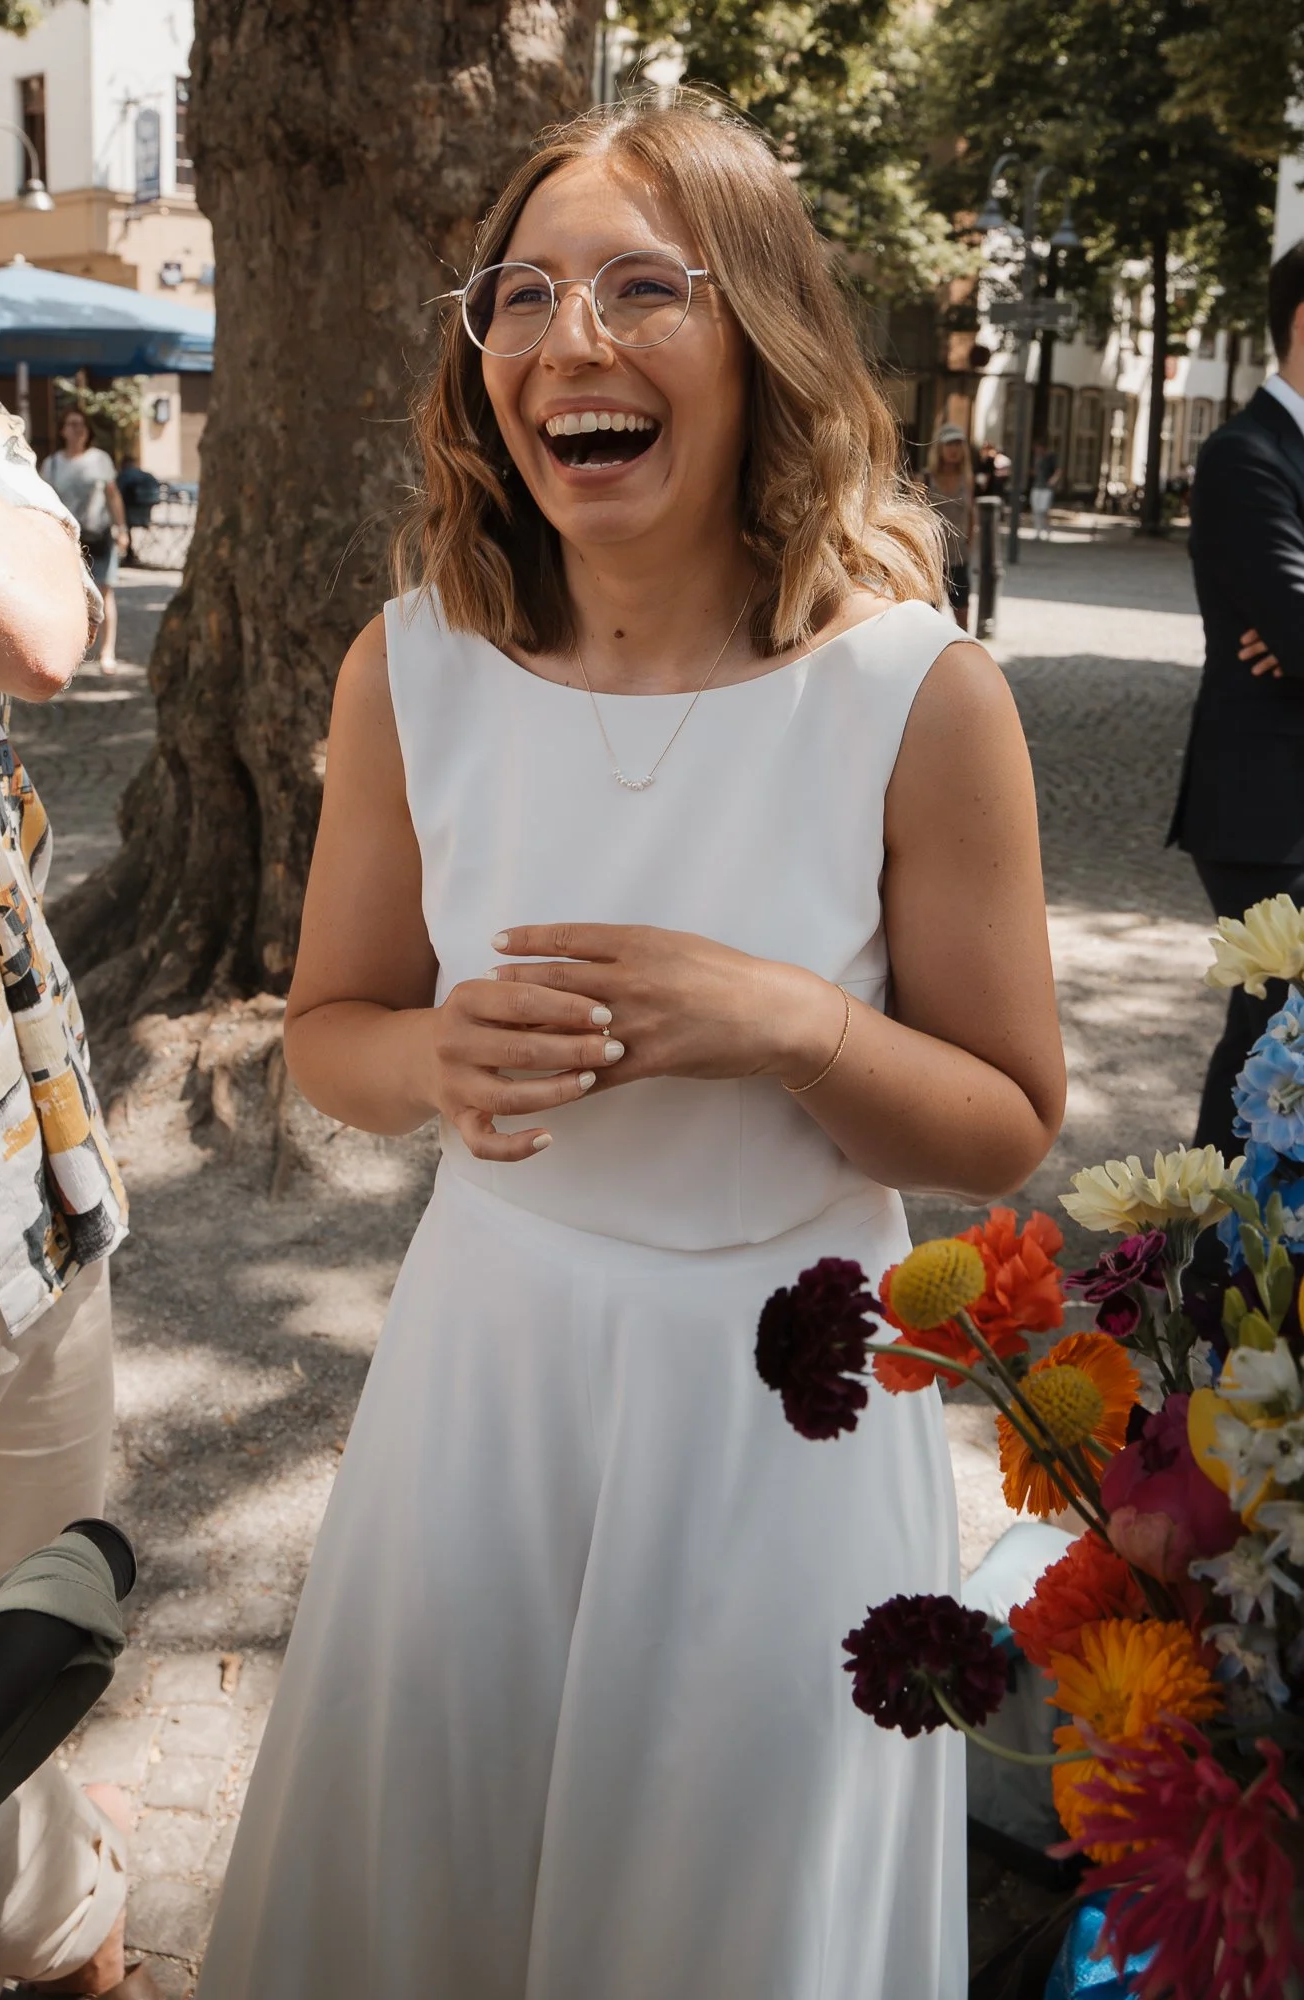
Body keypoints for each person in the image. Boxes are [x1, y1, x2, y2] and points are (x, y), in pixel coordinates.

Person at [198, 95, 1064, 1999]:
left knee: (721, 1911)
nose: (565, 340)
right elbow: (329, 1032)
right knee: (435, 1867)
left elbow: (1006, 1125)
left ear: (759, 336)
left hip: (787, 1411)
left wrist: (793, 1024)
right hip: (480, 1377)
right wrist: (429, 1062)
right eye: (519, 295)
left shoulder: (915, 695)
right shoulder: (409, 666)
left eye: (638, 288)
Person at [0, 389, 141, 1996]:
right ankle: (70, 1936)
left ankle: (62, 1923)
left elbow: (36, 629)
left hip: (15, 1172)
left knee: (25, 1618)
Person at [1171, 238, 1304, 1161]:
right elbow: (1293, 633)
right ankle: (1218, 1260)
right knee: (1275, 1022)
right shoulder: (1244, 455)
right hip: (1265, 813)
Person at [40, 413, 128, 674]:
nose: (76, 429)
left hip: (99, 535)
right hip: (66, 541)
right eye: (70, 424)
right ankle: (67, 653)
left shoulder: (100, 459)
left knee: (104, 592)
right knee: (66, 596)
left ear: (88, 431)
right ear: (62, 430)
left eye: (81, 425)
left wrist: (122, 528)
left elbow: (113, 495)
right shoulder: (52, 464)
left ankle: (107, 651)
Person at [923, 422, 976, 631]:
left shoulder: (966, 479)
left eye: (958, 444)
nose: (954, 450)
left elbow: (972, 512)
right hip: (931, 557)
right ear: (939, 448)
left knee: (962, 614)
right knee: (929, 617)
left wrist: (971, 540)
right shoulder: (926, 478)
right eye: (949, 444)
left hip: (958, 556)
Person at [1028, 439, 1060, 538]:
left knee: (1043, 510)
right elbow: (1036, 471)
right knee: (1036, 509)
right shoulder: (1036, 458)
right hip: (1037, 486)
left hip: (1046, 488)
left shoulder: (1050, 457)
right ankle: (1038, 530)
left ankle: (1047, 529)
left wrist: (1052, 480)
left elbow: (1058, 470)